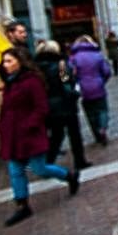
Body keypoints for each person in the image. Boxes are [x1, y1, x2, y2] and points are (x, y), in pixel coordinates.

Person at [0, 47, 79, 227]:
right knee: (17, 169)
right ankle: (22, 204)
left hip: (33, 126)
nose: (5, 65)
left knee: (39, 167)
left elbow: (40, 104)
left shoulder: (32, 78)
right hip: (61, 108)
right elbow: (66, 83)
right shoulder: (61, 64)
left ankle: (69, 175)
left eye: (8, 61)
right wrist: (71, 94)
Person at [34, 40, 90, 170]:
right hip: (65, 104)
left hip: (48, 105)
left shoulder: (36, 68)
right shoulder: (61, 66)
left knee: (56, 135)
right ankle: (79, 160)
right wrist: (74, 94)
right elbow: (66, 83)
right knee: (74, 134)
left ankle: (48, 160)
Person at [69, 35, 112, 146]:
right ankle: (103, 128)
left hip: (83, 89)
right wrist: (102, 81)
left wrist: (74, 84)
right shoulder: (97, 55)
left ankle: (97, 134)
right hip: (98, 86)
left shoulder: (73, 58)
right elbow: (106, 71)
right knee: (102, 110)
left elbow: (68, 75)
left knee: (90, 113)